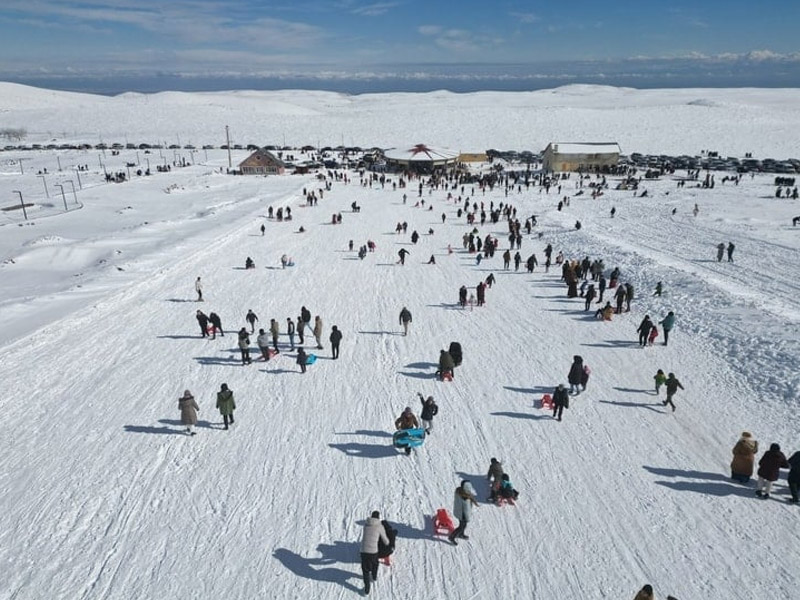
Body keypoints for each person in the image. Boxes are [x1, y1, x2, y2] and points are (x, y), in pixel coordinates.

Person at [360, 511, 389, 595]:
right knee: (375, 563)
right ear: (378, 518)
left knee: (365, 570)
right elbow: (385, 541)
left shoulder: (366, 525)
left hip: (363, 551)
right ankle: (374, 576)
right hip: (373, 552)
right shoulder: (379, 526)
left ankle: (367, 588)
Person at [448, 481, 478, 545]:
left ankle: (461, 534)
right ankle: (451, 537)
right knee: (461, 526)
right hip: (462, 514)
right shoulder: (465, 497)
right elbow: (466, 509)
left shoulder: (460, 491)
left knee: (464, 525)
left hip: (460, 511)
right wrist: (468, 518)